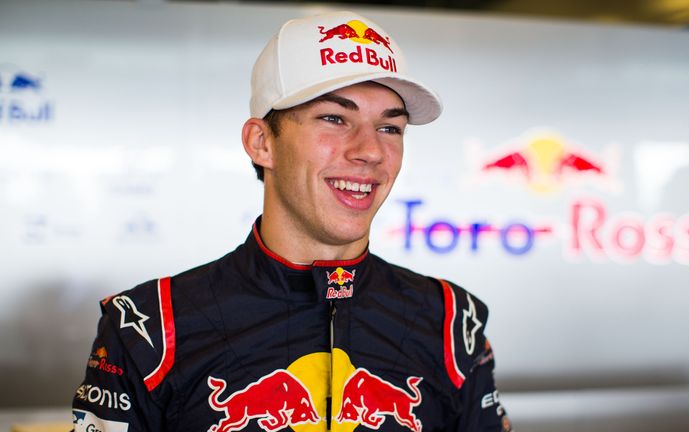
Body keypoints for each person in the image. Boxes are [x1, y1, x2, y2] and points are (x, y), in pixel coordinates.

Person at [72, 10, 512, 432]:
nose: (370, 151)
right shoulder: (150, 326)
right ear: (262, 143)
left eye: (389, 128)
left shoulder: (452, 321)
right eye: (335, 118)